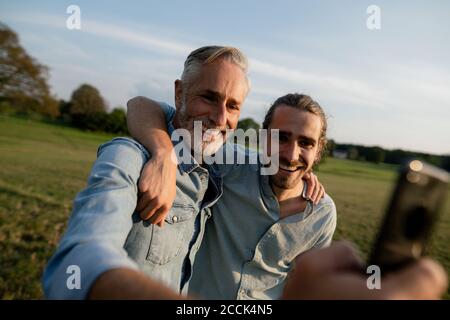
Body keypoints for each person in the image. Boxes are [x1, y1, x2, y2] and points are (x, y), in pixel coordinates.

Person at [127, 93, 335, 299]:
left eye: (306, 143)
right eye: (281, 138)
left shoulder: (323, 214)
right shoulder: (230, 162)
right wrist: (163, 153)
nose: (291, 155)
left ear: (318, 151)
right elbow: (140, 105)